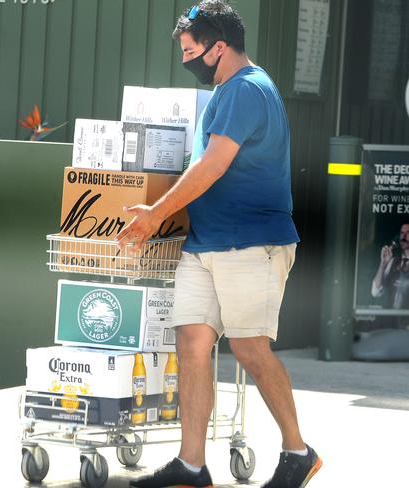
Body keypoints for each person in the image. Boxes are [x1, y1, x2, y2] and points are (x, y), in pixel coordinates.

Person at [117, 2, 322, 487]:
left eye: (192, 52)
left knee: (250, 349)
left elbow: (211, 166)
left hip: (250, 243)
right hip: (206, 242)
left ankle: (299, 452)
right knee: (192, 342)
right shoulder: (229, 91)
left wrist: (154, 214)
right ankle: (192, 466)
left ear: (219, 47)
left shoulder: (246, 90)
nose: (187, 60)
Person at [371, 223, 409, 309]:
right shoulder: (392, 262)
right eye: (402, 233)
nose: (404, 237)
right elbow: (375, 292)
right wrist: (383, 264)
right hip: (390, 319)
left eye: (408, 233)